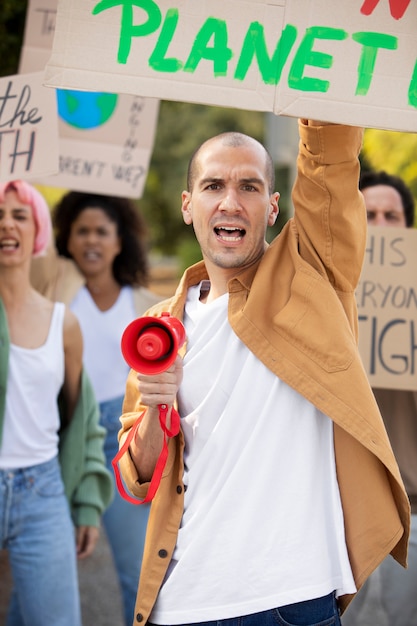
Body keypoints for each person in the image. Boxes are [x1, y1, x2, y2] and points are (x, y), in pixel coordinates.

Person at [117, 120, 410, 626]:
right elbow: (138, 478)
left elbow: (330, 163)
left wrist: (321, 90)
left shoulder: (313, 278)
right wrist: (156, 407)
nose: (230, 202)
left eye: (249, 186)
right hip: (181, 604)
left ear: (272, 208)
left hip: (291, 603)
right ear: (189, 206)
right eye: (213, 186)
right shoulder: (157, 330)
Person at [30, 191, 162, 626]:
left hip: (126, 443)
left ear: (119, 241)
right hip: (67, 442)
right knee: (40, 573)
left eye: (102, 231)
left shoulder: (145, 304)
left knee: (140, 575)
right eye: (81, 230)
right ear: (66, 240)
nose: (91, 240)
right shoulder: (54, 288)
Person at [0, 180, 113, 626]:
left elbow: (83, 420)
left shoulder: (64, 324)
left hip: (42, 492)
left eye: (19, 215)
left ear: (37, 231)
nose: (6, 224)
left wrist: (87, 500)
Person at [342, 170, 417, 626]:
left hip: (413, 509)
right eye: (369, 215)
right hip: (342, 514)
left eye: (393, 215)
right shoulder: (320, 300)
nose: (382, 224)